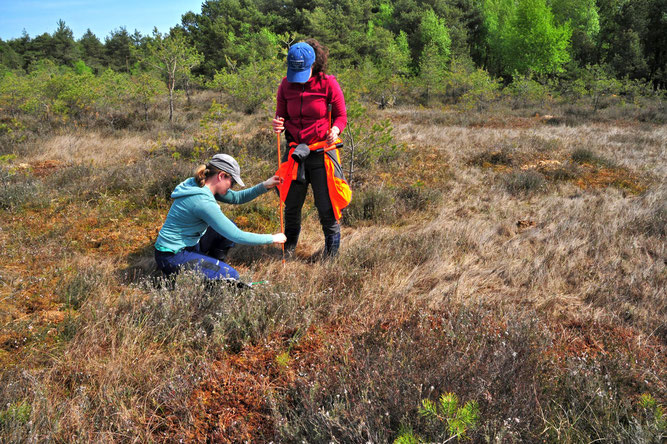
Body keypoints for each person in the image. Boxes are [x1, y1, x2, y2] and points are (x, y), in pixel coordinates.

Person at [272, 39, 350, 258]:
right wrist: (278, 124)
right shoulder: (285, 85)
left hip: (322, 152)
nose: (297, 76)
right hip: (296, 153)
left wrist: (335, 129)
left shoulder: (328, 83)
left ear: (314, 63)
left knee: (327, 207)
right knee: (291, 207)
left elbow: (341, 116)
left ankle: (331, 259)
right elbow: (281, 116)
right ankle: (287, 254)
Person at [154, 153, 286, 281]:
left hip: (187, 245)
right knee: (230, 275)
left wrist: (265, 185)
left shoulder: (199, 183)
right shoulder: (202, 202)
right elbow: (237, 235)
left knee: (226, 228)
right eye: (232, 182)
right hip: (172, 256)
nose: (231, 187)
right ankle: (205, 273)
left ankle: (212, 265)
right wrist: (273, 238)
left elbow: (237, 197)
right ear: (221, 176)